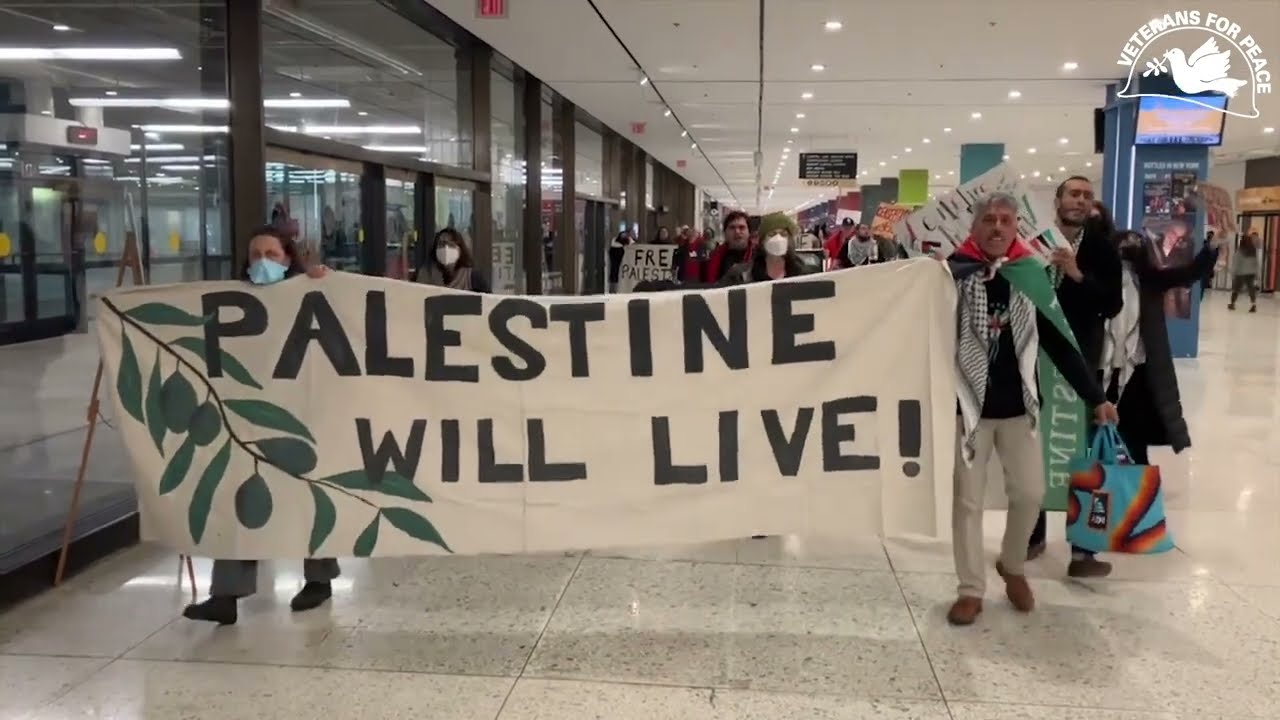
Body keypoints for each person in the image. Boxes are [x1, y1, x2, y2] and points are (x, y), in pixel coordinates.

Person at [947, 192, 1116, 627]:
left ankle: (1012, 564)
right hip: (966, 408)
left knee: (1030, 494)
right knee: (967, 502)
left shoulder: (1031, 275)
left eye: (1006, 219)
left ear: (1016, 225)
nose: (997, 227)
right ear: (974, 226)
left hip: (1020, 407)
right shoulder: (951, 274)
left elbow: (1060, 343)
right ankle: (970, 589)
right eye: (989, 220)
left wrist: (1096, 397)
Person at [184, 226, 333, 626]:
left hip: (302, 411)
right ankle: (226, 594)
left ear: (289, 258)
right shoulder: (231, 303)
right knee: (240, 495)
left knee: (308, 494)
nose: (263, 261)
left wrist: (324, 282)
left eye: (272, 253)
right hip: (247, 413)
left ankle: (319, 579)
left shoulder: (308, 292)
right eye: (255, 254)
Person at [1028, 179, 1122, 577]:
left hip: (1082, 358)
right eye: (1073, 194)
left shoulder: (1101, 249)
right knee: (1035, 446)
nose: (1080, 201)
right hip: (1034, 359)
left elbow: (1113, 303)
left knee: (1081, 452)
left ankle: (1083, 549)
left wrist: (1076, 273)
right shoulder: (1033, 240)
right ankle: (1030, 535)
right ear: (1059, 201)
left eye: (1086, 196)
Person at [1103, 230, 1223, 463]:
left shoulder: (1151, 281)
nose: (1129, 249)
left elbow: (1189, 273)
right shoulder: (1103, 281)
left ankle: (1137, 487)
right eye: (1124, 244)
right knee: (1103, 432)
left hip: (1138, 369)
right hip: (1106, 367)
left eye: (1136, 244)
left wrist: (1210, 248)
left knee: (1134, 435)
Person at [715, 212, 808, 286]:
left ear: (790, 240)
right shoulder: (742, 273)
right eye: (772, 234)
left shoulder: (804, 273)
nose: (778, 238)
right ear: (763, 241)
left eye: (783, 234)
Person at [418, 228, 490, 292]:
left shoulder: (471, 276)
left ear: (460, 249)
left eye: (451, 244)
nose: (446, 248)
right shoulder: (426, 274)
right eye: (441, 243)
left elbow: (489, 302)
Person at [703, 210, 753, 283]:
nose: (737, 231)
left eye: (742, 227)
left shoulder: (758, 258)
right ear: (725, 232)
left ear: (749, 232)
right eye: (732, 228)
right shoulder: (713, 258)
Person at [1228, 231, 1261, 312]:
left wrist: (1233, 273)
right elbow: (1256, 263)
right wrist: (1257, 273)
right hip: (1251, 273)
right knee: (1251, 289)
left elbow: (1236, 262)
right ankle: (1253, 305)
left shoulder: (1240, 250)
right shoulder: (1252, 251)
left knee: (1236, 289)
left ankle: (1232, 304)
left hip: (1241, 273)